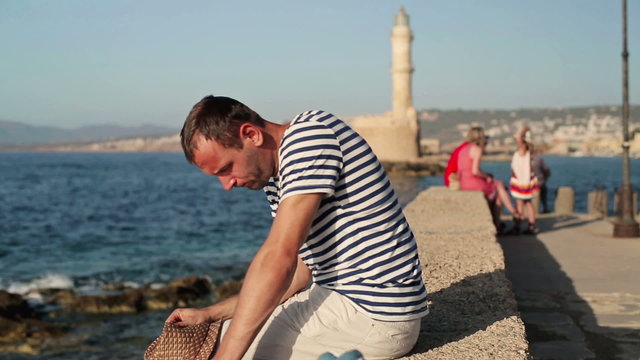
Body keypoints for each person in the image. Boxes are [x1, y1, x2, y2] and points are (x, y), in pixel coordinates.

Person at [166, 96, 429, 360]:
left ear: (251, 134)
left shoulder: (308, 137)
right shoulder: (277, 175)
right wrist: (211, 313)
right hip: (350, 302)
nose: (227, 184)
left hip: (373, 314)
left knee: (213, 349)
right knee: (214, 332)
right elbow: (298, 276)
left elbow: (279, 257)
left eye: (227, 169)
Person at [456, 127, 519, 233]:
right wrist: (487, 177)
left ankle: (498, 225)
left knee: (498, 195)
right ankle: (513, 212)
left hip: (463, 183)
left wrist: (485, 176)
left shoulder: (463, 149)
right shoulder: (477, 149)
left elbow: (463, 169)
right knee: (499, 184)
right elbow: (475, 171)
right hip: (473, 183)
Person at [509, 126, 540, 234]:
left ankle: (518, 226)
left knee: (520, 203)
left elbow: (518, 138)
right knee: (528, 203)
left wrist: (523, 129)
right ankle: (532, 225)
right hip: (528, 181)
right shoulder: (529, 151)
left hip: (521, 182)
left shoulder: (522, 150)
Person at [531, 147, 551, 213]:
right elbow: (547, 170)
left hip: (526, 183)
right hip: (538, 181)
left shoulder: (524, 158)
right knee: (544, 190)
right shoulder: (539, 159)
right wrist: (546, 177)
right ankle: (545, 208)